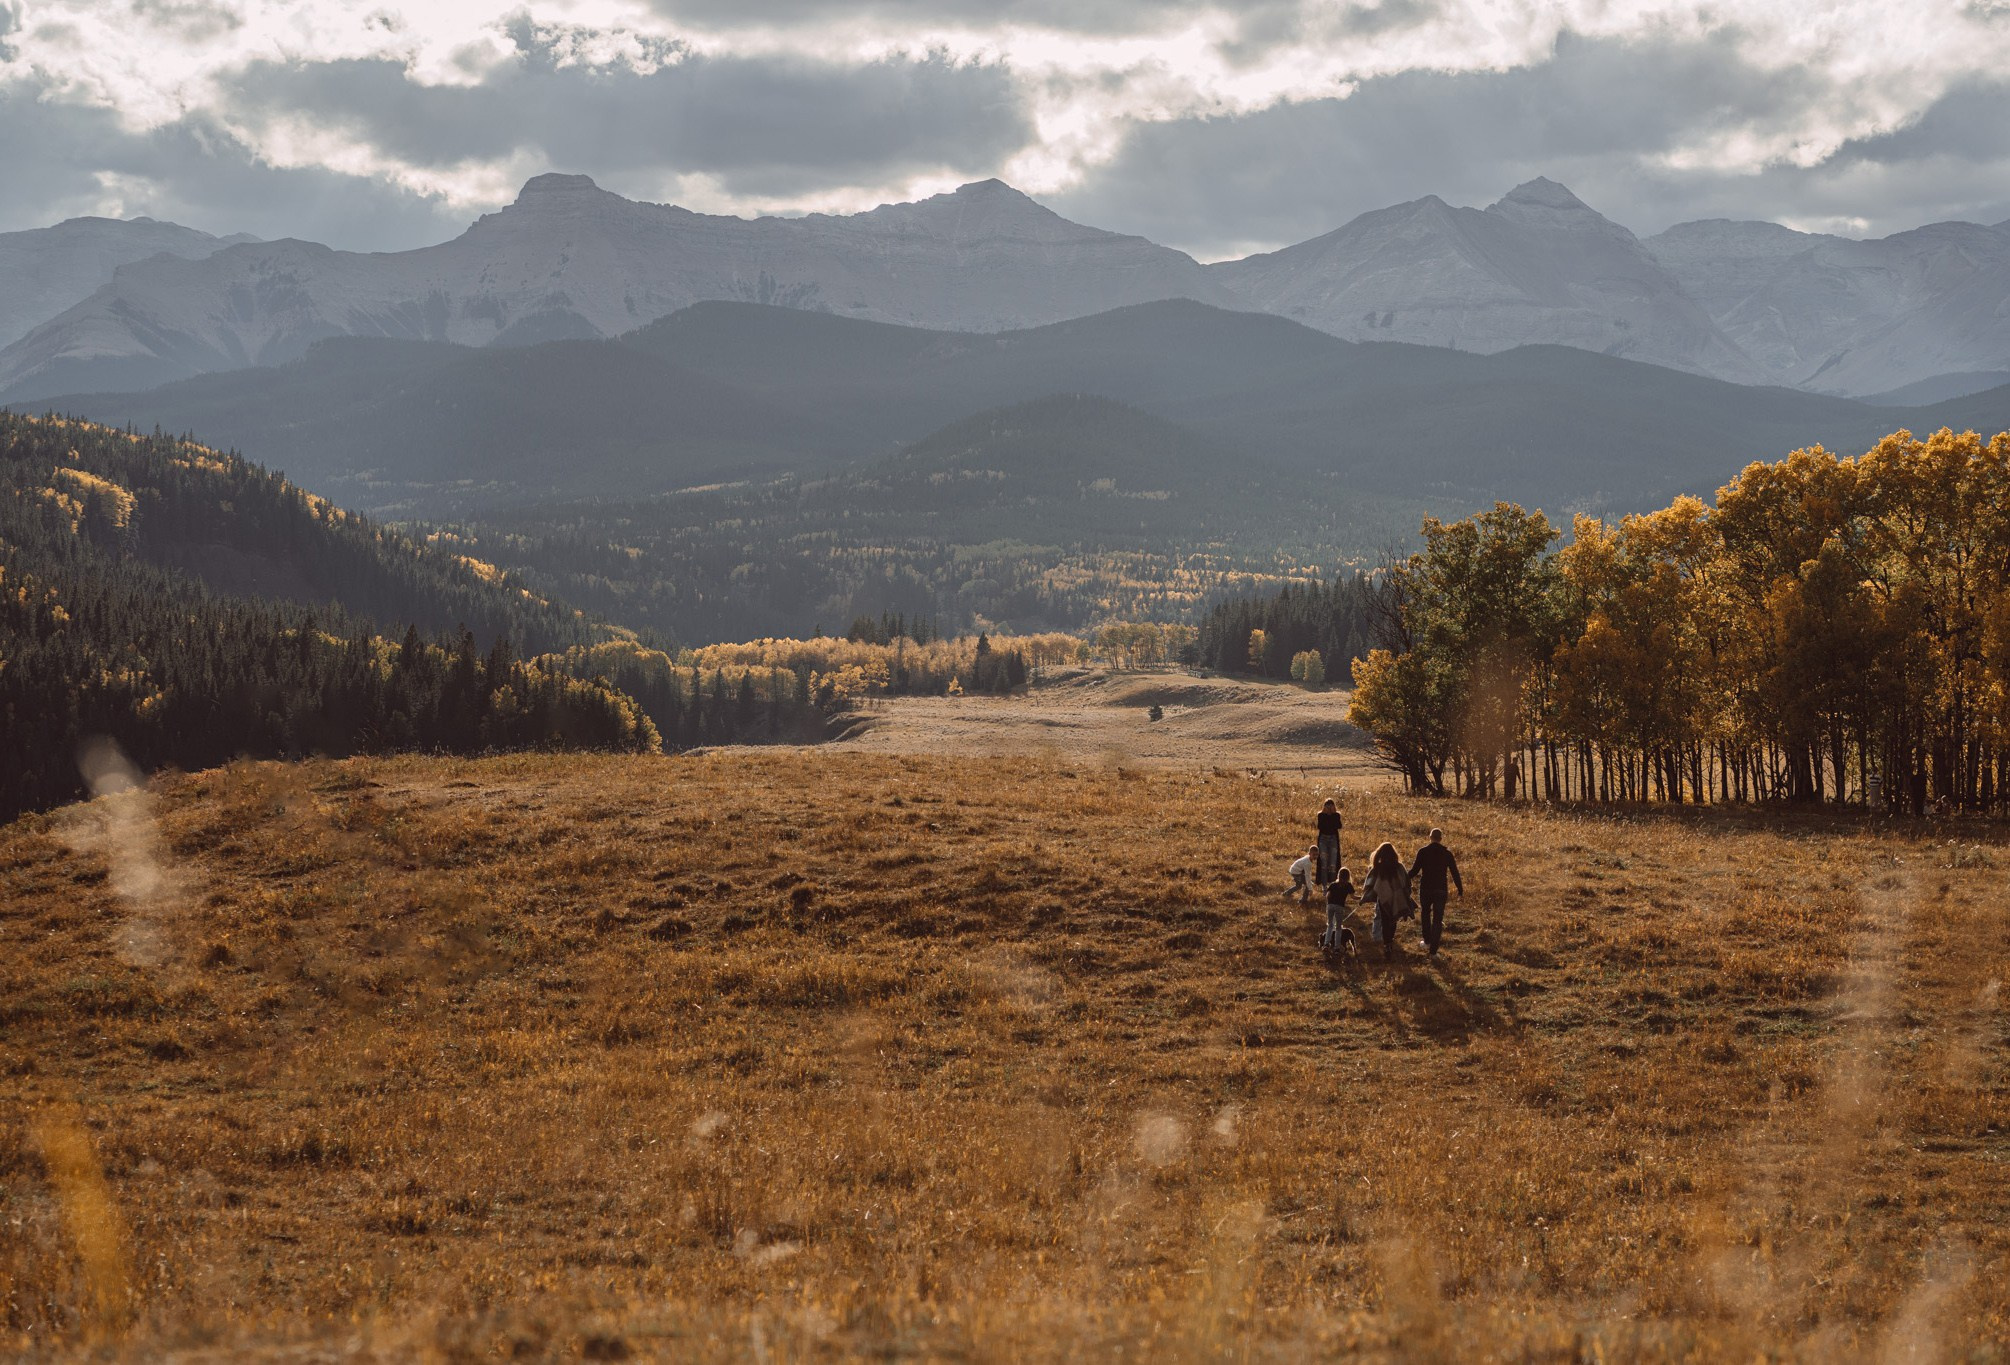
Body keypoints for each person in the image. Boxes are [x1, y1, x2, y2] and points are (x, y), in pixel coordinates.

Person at [1407, 827, 1464, 956]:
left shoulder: (1423, 852)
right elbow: (1455, 872)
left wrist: (1402, 879)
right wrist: (1460, 889)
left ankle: (1427, 941)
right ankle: (1433, 951)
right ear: (1441, 839)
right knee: (1438, 919)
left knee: (1425, 914)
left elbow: (1414, 871)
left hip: (1426, 888)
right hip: (1441, 889)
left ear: (1430, 837)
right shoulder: (1447, 853)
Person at [1359, 842, 1411, 962]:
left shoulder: (1377, 867)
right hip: (1397, 898)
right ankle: (1390, 941)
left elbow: (1369, 883)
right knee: (1393, 920)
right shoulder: (1399, 866)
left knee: (1385, 921)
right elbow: (1407, 882)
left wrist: (1366, 896)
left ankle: (1387, 944)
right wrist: (1405, 894)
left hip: (1383, 899)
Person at [1322, 866, 1356, 955]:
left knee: (1330, 925)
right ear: (1348, 877)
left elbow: (1327, 895)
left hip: (1330, 906)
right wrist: (1362, 898)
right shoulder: (1348, 885)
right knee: (1338, 928)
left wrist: (1329, 904)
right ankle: (1337, 947)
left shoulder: (1333, 884)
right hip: (1339, 907)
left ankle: (1326, 944)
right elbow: (1353, 897)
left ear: (1338, 875)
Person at [1315, 798, 1343, 886]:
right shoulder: (1321, 815)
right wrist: (1325, 814)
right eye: (1327, 806)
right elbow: (1321, 826)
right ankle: (1324, 884)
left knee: (1333, 862)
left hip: (1333, 839)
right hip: (1323, 839)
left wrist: (1333, 814)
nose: (1329, 808)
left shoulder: (1337, 815)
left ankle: (1332, 883)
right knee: (1324, 862)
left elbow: (1338, 826)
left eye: (1331, 806)